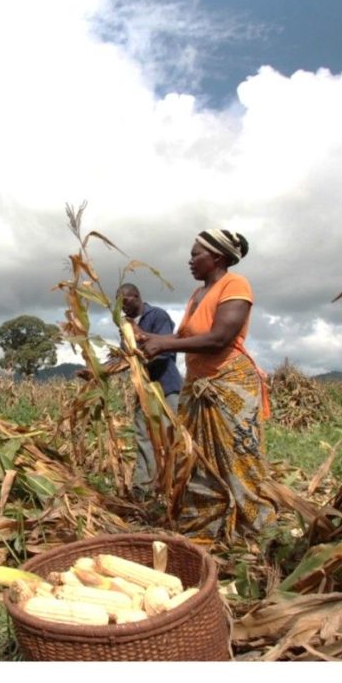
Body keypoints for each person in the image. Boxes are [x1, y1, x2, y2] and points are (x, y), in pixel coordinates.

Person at [139, 229, 275, 540]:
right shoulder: (197, 294)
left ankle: (255, 534)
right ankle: (206, 530)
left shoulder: (235, 284)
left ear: (217, 257)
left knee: (238, 459)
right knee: (196, 458)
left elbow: (219, 339)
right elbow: (185, 337)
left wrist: (162, 346)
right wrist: (147, 338)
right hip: (198, 384)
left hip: (228, 384)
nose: (190, 260)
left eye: (195, 254)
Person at [116, 284, 183, 497]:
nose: (123, 307)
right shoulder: (126, 327)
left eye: (125, 301)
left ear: (136, 296)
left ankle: (171, 487)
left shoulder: (158, 316)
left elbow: (164, 352)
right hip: (144, 389)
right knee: (142, 436)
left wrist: (138, 348)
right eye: (119, 304)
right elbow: (123, 359)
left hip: (166, 387)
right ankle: (142, 488)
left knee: (167, 437)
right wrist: (97, 371)